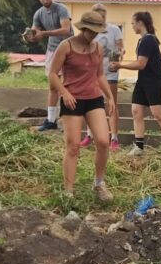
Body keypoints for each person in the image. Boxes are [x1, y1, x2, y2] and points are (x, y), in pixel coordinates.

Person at [48, 11, 116, 201]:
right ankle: (68, 191)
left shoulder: (98, 48)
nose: (94, 35)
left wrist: (109, 97)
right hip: (73, 100)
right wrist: (65, 92)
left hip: (93, 98)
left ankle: (99, 183)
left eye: (97, 32)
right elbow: (53, 74)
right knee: (73, 146)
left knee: (103, 141)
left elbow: (100, 75)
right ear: (83, 28)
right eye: (91, 32)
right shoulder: (66, 46)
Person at [109, 11, 161, 158]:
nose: (132, 26)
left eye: (133, 23)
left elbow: (141, 64)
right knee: (136, 111)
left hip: (153, 82)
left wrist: (120, 66)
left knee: (158, 114)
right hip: (143, 81)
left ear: (140, 23)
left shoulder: (148, 40)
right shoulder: (143, 41)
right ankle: (138, 146)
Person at [29, 0, 73, 132]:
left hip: (69, 48)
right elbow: (35, 32)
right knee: (53, 85)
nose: (46, 1)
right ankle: (51, 120)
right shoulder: (39, 13)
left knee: (70, 84)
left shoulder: (62, 9)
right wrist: (29, 36)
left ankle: (70, 117)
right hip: (53, 50)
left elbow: (66, 29)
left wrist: (44, 34)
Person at [84, 3, 124, 150]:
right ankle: (89, 135)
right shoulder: (88, 30)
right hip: (92, 71)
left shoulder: (113, 29)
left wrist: (120, 54)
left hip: (110, 70)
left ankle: (114, 138)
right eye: (98, 17)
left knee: (111, 102)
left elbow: (120, 46)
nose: (101, 19)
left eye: (103, 16)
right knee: (90, 102)